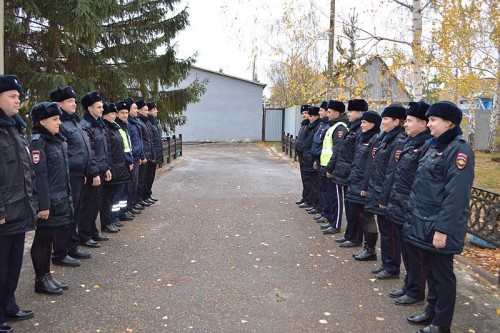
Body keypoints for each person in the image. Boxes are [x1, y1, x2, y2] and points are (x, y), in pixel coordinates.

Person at [405, 102, 474, 333]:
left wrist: (442, 230)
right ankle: (431, 312)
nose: (429, 124)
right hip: (426, 221)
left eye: (434, 120)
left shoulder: (459, 150)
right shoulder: (434, 146)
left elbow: (456, 196)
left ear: (449, 123)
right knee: (432, 272)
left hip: (441, 227)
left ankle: (441, 324)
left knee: (443, 276)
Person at [0, 75, 37, 332]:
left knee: (13, 264)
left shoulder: (16, 128)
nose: (18, 101)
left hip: (19, 208)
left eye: (18, 96)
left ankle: (9, 305)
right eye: (12, 96)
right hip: (3, 211)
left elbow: (25, 172)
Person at [386, 101, 431, 305]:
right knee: (406, 250)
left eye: (410, 121)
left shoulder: (424, 145)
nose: (406, 124)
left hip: (411, 207)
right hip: (400, 203)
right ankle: (408, 284)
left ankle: (415, 291)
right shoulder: (410, 142)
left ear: (423, 123)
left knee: (415, 254)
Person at [29, 102, 72, 295]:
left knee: (48, 239)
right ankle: (41, 279)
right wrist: (43, 205)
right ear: (42, 121)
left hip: (59, 198)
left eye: (59, 119)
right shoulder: (39, 142)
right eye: (55, 119)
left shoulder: (56, 140)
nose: (59, 123)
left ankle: (47, 276)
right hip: (48, 202)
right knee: (42, 239)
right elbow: (40, 176)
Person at [362, 104, 407, 278]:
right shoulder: (386, 138)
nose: (383, 122)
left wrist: (384, 196)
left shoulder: (398, 141)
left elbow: (391, 172)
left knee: (390, 234)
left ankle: (392, 267)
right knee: (385, 233)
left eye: (386, 119)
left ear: (397, 121)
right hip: (379, 191)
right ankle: (386, 264)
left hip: (385, 194)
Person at [50, 86, 92, 267]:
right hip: (68, 175)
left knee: (75, 212)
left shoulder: (74, 122)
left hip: (79, 173)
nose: (75, 104)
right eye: (70, 101)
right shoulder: (59, 124)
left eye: (74, 101)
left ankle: (72, 246)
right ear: (59, 104)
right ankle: (60, 252)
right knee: (66, 214)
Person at [329, 99, 368, 246]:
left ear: (359, 112)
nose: (349, 114)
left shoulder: (359, 131)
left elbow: (356, 155)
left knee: (354, 209)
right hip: (346, 172)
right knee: (349, 207)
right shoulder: (353, 128)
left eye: (351, 111)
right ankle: (350, 235)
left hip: (352, 173)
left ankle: (355, 238)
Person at [344, 110, 381, 261]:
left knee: (368, 216)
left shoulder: (375, 139)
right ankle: (367, 247)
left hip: (364, 184)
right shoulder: (362, 137)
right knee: (361, 214)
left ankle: (370, 249)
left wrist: (365, 186)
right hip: (356, 181)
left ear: (373, 124)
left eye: (364, 123)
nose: (362, 125)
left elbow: (371, 166)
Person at [79, 91, 112, 248]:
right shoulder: (86, 127)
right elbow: (89, 152)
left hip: (100, 169)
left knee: (96, 204)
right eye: (98, 107)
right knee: (89, 205)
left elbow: (103, 151)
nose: (102, 109)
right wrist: (93, 173)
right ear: (89, 108)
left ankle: (93, 231)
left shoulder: (99, 125)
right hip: (93, 172)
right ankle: (84, 235)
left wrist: (106, 168)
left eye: (102, 106)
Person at [100, 103, 132, 233]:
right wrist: (110, 168)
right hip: (114, 168)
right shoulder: (106, 129)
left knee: (117, 195)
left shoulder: (114, 128)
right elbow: (108, 151)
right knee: (110, 197)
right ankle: (109, 220)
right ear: (105, 115)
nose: (114, 116)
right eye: (112, 114)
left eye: (114, 113)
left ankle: (114, 218)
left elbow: (121, 147)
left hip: (120, 166)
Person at [319, 100, 348, 235]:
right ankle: (330, 219)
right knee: (329, 195)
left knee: (335, 197)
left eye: (329, 112)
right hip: (326, 165)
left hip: (333, 167)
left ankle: (335, 224)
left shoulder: (340, 128)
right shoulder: (332, 126)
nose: (327, 114)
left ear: (337, 113)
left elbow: (337, 150)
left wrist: (330, 168)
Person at [305, 102, 329, 215]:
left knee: (321, 187)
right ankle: (319, 207)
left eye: (321, 111)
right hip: (317, 159)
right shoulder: (322, 126)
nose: (320, 113)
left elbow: (322, 145)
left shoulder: (326, 126)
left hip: (324, 162)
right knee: (318, 186)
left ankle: (321, 208)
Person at [124, 98, 145, 214]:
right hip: (131, 158)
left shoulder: (135, 122)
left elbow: (139, 140)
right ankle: (127, 207)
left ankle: (131, 205)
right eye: (135, 108)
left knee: (135, 184)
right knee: (130, 184)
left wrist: (141, 155)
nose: (137, 111)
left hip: (136, 157)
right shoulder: (128, 124)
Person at [135, 99, 155, 208]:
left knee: (145, 179)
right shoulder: (139, 122)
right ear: (138, 110)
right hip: (142, 155)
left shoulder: (145, 122)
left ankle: (143, 197)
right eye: (145, 110)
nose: (147, 112)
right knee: (140, 180)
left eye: (148, 110)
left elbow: (149, 140)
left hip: (147, 154)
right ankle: (138, 199)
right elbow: (140, 141)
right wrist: (142, 155)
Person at [144, 101, 164, 203]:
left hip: (156, 153)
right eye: (154, 109)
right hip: (152, 154)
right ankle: (145, 196)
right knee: (147, 177)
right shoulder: (149, 123)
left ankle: (148, 194)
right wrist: (152, 154)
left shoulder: (155, 122)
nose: (157, 111)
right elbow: (150, 140)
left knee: (151, 177)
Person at [295, 104, 311, 207]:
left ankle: (308, 200)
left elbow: (307, 142)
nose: (304, 115)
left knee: (308, 180)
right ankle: (305, 197)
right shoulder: (304, 124)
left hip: (306, 156)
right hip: (301, 155)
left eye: (306, 113)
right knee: (304, 179)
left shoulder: (310, 125)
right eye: (303, 113)